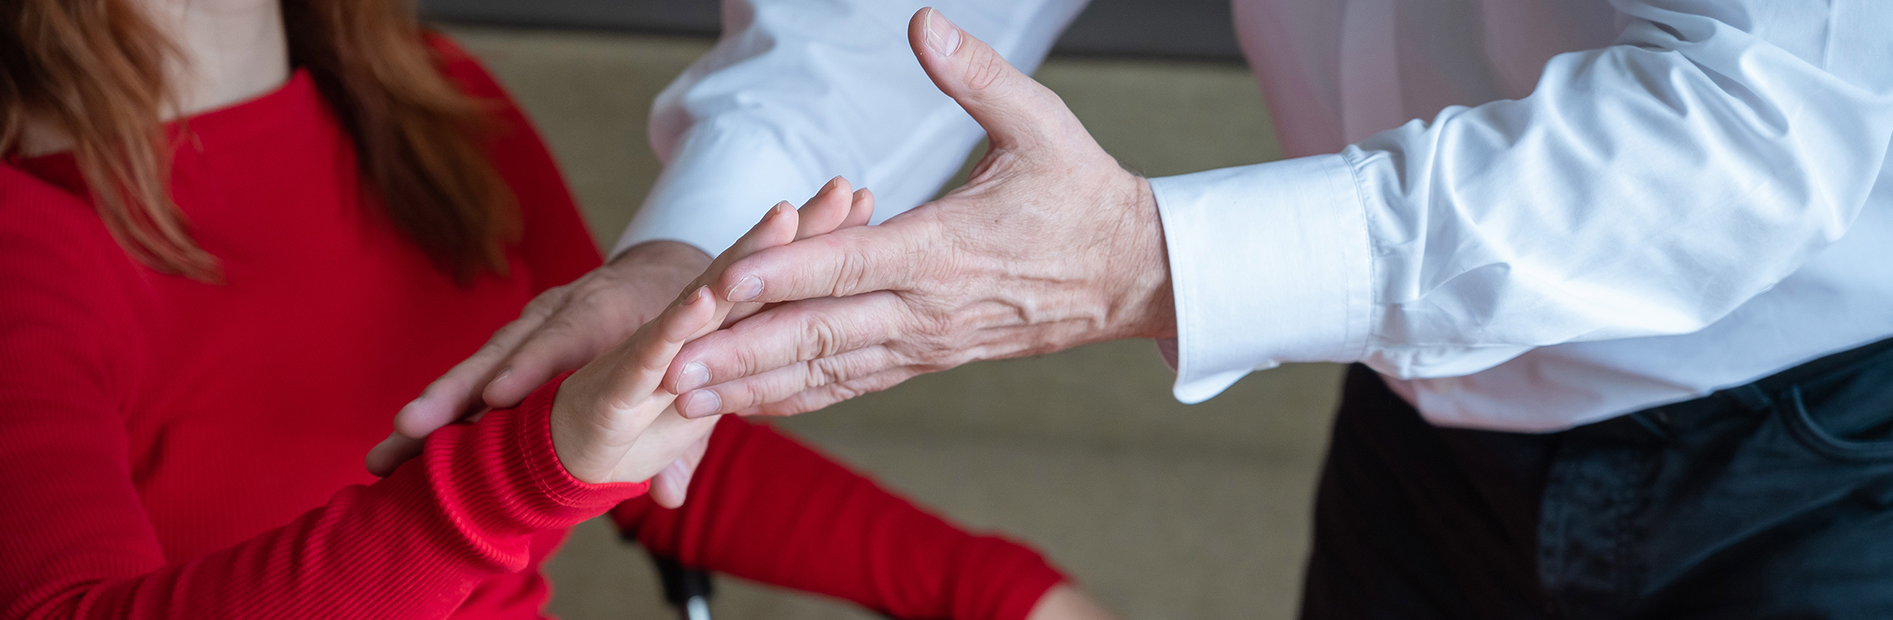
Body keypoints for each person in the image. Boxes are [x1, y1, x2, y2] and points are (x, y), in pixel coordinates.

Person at [386, 1, 1893, 618]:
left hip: (1827, 448)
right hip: (1422, 430)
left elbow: (1758, 121)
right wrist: (700, 244)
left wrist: (1152, 262)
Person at [0, 0, 1119, 617]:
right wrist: (530, 467)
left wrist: (1001, 589)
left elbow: (648, 431)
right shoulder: (5, 232)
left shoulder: (428, 101)